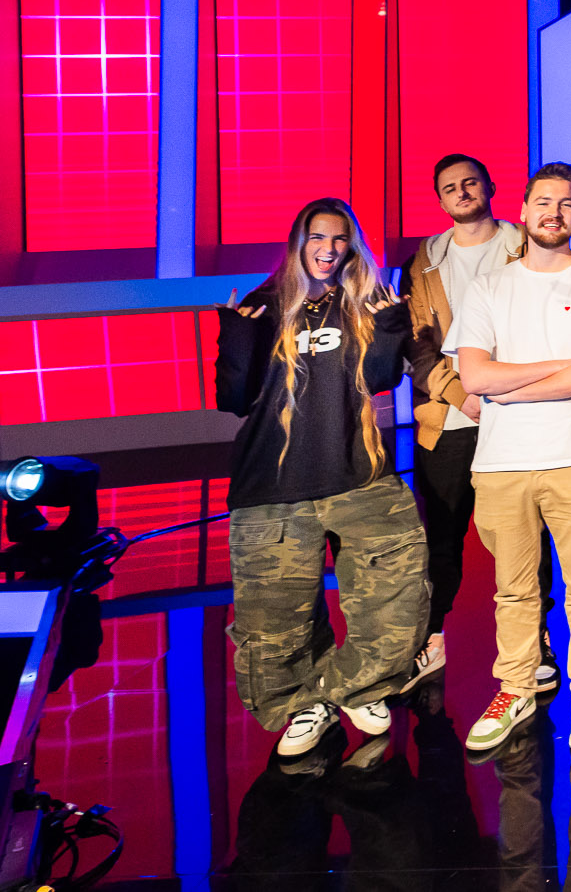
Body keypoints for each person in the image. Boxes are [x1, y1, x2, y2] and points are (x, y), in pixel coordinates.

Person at [214, 197, 422, 758]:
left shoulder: (363, 304)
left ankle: (357, 688)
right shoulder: (261, 307)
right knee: (274, 622)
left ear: (351, 246)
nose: (328, 250)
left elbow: (380, 379)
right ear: (297, 243)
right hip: (272, 488)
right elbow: (232, 399)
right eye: (317, 238)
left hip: (359, 477)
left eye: (339, 239)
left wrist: (389, 326)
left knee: (395, 598)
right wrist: (236, 336)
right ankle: (303, 704)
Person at [446, 161, 571, 752]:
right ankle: (516, 687)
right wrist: (561, 364)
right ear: (522, 212)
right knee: (513, 588)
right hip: (502, 460)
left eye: (567, 203)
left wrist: (509, 387)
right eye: (544, 202)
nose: (555, 212)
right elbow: (474, 376)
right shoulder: (487, 287)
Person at [401, 154, 532, 688]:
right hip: (449, 421)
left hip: (519, 415)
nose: (461, 191)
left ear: (491, 186)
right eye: (449, 187)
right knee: (442, 540)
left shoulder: (525, 244)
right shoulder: (425, 260)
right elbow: (417, 345)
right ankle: (430, 639)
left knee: (525, 537)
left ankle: (535, 642)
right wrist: (462, 396)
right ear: (439, 200)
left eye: (470, 182)